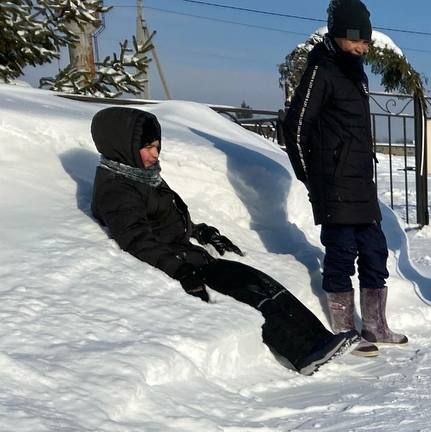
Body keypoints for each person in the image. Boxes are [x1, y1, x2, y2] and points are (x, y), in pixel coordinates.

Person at [90, 106, 361, 376]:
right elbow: (136, 239)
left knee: (264, 284)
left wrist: (201, 231)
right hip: (181, 264)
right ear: (122, 145)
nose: (155, 154)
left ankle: (320, 340)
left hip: (191, 255)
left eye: (156, 146)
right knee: (252, 295)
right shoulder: (117, 188)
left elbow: (166, 219)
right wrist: (178, 269)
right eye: (147, 147)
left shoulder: (142, 176)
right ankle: (304, 353)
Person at [284, 0, 407, 348]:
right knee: (340, 253)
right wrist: (311, 177)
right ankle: (344, 329)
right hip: (334, 183)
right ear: (340, 35)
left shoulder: (356, 72)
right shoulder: (321, 70)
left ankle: (375, 325)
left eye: (366, 43)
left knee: (375, 251)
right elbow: (295, 128)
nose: (363, 48)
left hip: (360, 182)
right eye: (358, 42)